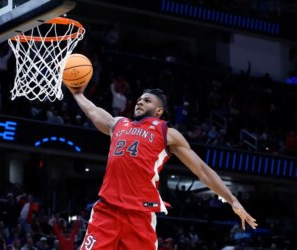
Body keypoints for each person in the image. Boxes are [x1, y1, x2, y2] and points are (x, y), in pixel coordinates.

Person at [66, 85, 257, 250]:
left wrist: (232, 200)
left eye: (147, 100)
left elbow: (201, 169)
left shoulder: (167, 133)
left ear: (158, 111)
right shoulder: (119, 124)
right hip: (107, 210)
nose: (140, 102)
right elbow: (93, 111)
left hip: (140, 215)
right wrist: (78, 95)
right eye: (139, 99)